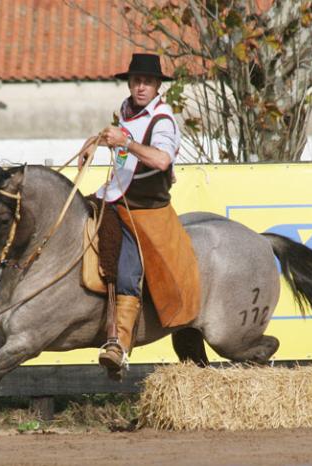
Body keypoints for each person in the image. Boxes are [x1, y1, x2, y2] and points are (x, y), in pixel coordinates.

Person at [78, 53, 185, 377]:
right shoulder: (128, 111)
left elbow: (162, 161)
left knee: (126, 272)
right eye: (136, 80)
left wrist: (126, 141)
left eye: (147, 82)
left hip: (143, 208)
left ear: (157, 87)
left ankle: (120, 345)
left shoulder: (162, 120)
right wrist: (96, 140)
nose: (141, 87)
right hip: (115, 197)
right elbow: (124, 145)